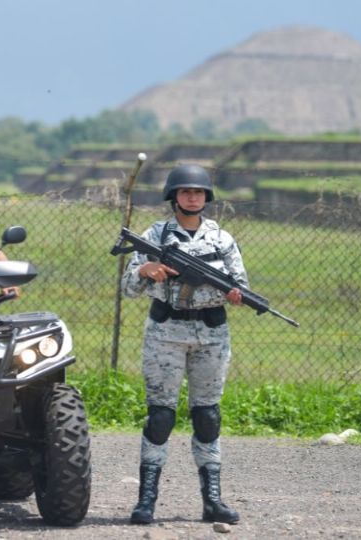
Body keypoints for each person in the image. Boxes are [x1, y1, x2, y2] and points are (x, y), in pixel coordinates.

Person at [122, 164, 245, 525]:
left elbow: (240, 283)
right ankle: (146, 501)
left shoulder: (222, 239)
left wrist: (236, 295)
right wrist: (146, 271)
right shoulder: (156, 235)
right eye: (186, 191)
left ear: (207, 197)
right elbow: (129, 287)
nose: (193, 196)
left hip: (211, 335)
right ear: (173, 195)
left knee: (207, 416)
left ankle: (213, 500)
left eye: (199, 191)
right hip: (166, 332)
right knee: (161, 416)